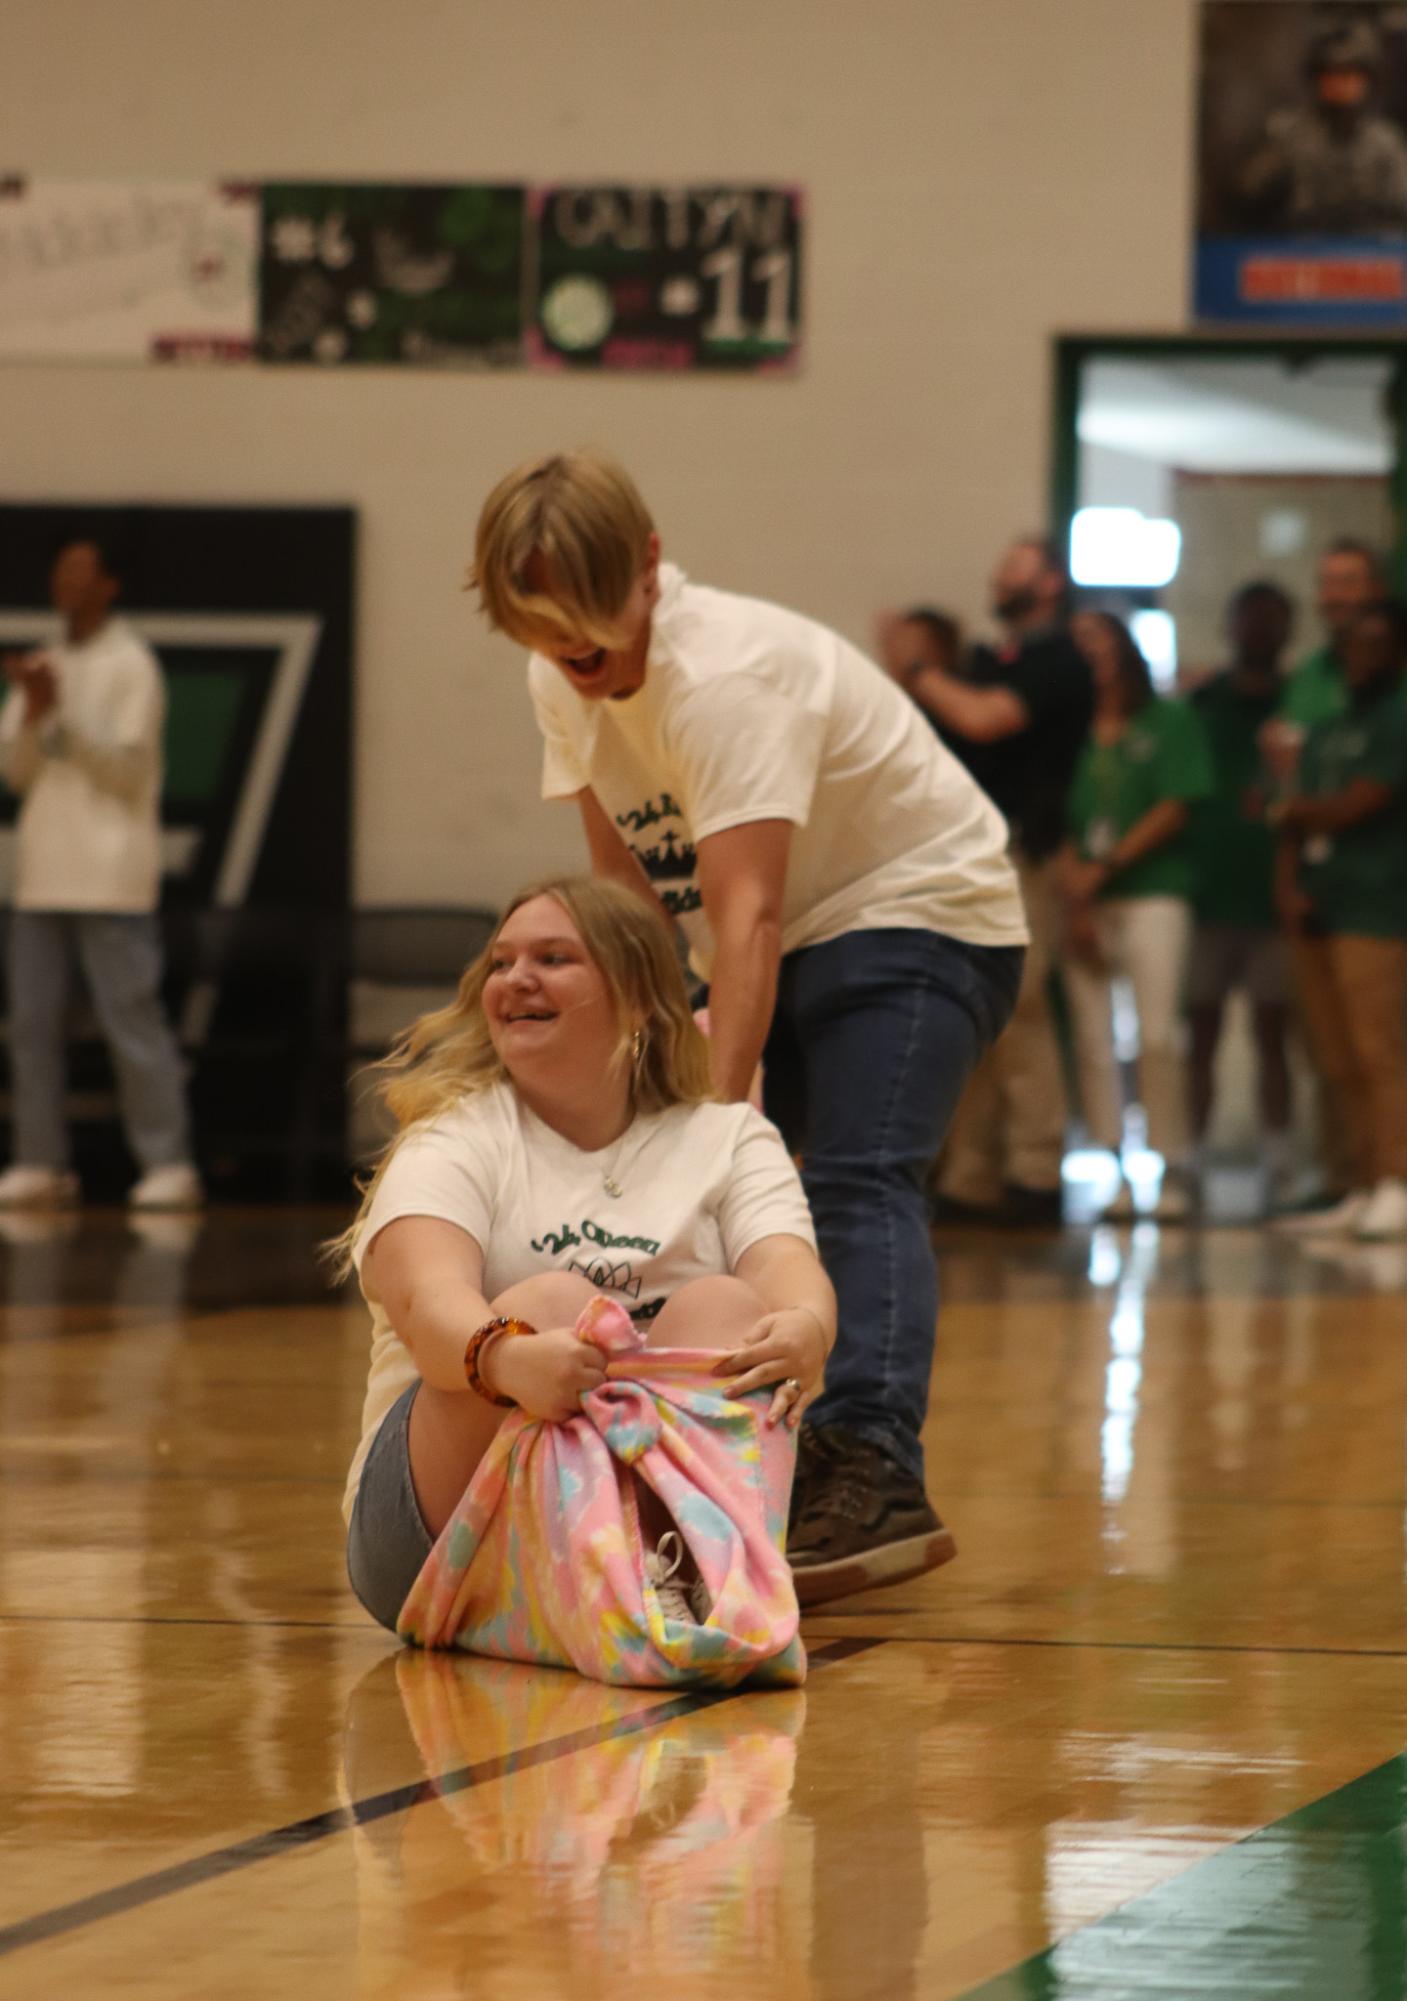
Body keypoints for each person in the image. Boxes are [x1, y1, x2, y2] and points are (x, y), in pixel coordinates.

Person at [471, 449, 1027, 1601]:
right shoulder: (557, 673)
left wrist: (709, 1121)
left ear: (652, 568)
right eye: (541, 633)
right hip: (794, 928)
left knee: (854, 1177)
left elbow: (748, 917)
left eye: (591, 629)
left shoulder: (728, 675)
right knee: (750, 1195)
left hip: (918, 912)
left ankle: (874, 1463)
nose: (574, 657)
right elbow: (625, 893)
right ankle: (735, 1454)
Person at [335, 876, 836, 1635]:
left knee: (733, 1312)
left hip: (650, 1515)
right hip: (435, 1538)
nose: (516, 978)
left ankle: (679, 1584)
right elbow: (425, 1303)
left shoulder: (728, 1136)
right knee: (551, 1308)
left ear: (636, 998)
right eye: (500, 963)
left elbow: (788, 1271)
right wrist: (506, 1361)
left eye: (553, 957)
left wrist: (808, 1332)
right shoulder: (455, 1137)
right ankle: (622, 1592)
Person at [879, 538, 1093, 1226]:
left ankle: (1035, 1168)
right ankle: (970, 1173)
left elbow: (983, 717)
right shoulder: (987, 660)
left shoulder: (1058, 661)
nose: (997, 573)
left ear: (1051, 580)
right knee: (971, 1015)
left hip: (1022, 854)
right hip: (967, 856)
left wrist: (913, 667)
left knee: (1021, 1009)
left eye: (1015, 563)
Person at [0, 540, 201, 1211]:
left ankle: (168, 1162)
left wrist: (60, 712)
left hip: (111, 875)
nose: (67, 583)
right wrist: (31, 709)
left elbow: (128, 772)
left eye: (82, 573)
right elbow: (16, 772)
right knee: (31, 1025)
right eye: (60, 572)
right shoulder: (44, 664)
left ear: (109, 584)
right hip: (40, 877)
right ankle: (40, 1160)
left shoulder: (131, 663)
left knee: (130, 1021)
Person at [1060, 612, 1213, 1222]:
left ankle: (1170, 1165)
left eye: (1100, 644)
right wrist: (1076, 887)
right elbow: (1054, 811)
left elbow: (1177, 805)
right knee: (1095, 1040)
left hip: (1152, 891)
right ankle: (1115, 1165)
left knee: (1155, 1034)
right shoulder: (1069, 729)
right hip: (1083, 899)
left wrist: (1109, 864)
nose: (1091, 658)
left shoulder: (1169, 719)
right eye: (1080, 648)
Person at [1272, 601, 1407, 1242]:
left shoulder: (1398, 716)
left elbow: (1359, 802)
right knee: (1335, 1054)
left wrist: (1292, 807)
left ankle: (1397, 1182)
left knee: (1379, 1049)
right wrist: (1291, 883)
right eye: (1353, 644)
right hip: (1320, 905)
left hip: (1377, 906)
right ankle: (1358, 1181)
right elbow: (1293, 819)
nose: (1363, 656)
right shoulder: (1327, 727)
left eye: (1377, 643)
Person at [1185, 582, 1296, 1210]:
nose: (1258, 632)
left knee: (1272, 1032)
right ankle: (1191, 1156)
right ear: (1231, 626)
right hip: (1207, 895)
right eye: (1249, 620)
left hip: (1273, 900)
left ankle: (1279, 1159)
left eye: (1271, 622)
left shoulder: (1300, 703)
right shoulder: (1203, 702)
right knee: (1199, 1034)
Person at [1235, 18, 1407, 236]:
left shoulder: (1385, 141)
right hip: (1299, 250)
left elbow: (1401, 206)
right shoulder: (1288, 133)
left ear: (1366, 81)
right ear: (1317, 80)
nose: (1340, 85)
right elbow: (1247, 194)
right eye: (1331, 75)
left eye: (1349, 75)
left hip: (1367, 252)